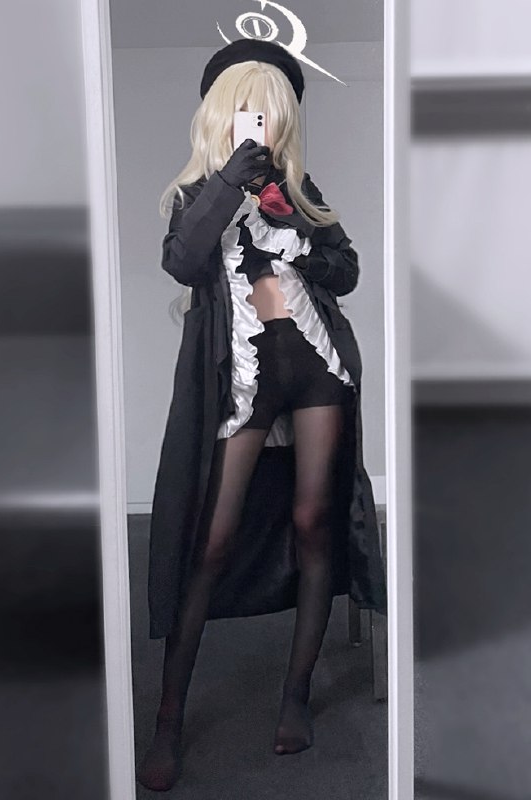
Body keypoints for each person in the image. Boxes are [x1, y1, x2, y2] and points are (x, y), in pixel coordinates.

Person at [137, 38, 387, 792]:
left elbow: (345, 272)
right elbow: (183, 262)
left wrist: (294, 222)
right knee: (210, 542)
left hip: (317, 371)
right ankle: (169, 719)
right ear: (221, 116)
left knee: (314, 522)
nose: (260, 125)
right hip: (244, 380)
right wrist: (230, 187)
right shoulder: (196, 194)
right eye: (246, 112)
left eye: (270, 114)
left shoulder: (301, 189)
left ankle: (295, 696)